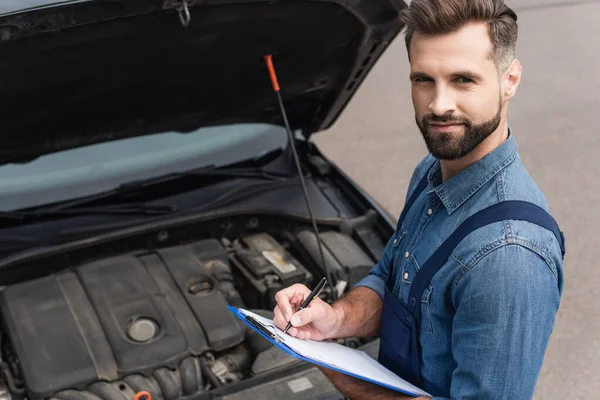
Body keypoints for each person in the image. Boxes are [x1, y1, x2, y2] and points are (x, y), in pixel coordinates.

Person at [272, 0, 566, 399]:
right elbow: (393, 282)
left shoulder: (509, 257)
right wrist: (333, 318)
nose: (439, 105)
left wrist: (348, 380)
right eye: (423, 79)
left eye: (463, 80)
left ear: (510, 79)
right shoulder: (431, 172)